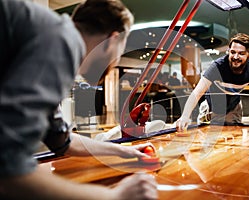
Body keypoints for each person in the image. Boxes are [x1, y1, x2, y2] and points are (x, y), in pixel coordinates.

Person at [0, 0, 157, 199]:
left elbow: (62, 140)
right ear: (112, 40)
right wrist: (116, 196)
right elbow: (9, 171)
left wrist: (126, 151)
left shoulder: (53, 35)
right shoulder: (60, 41)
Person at [176, 33, 249, 131]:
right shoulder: (218, 66)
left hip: (233, 108)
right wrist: (185, 116)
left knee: (235, 139)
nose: (235, 57)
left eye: (241, 53)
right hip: (212, 108)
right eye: (232, 52)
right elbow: (197, 92)